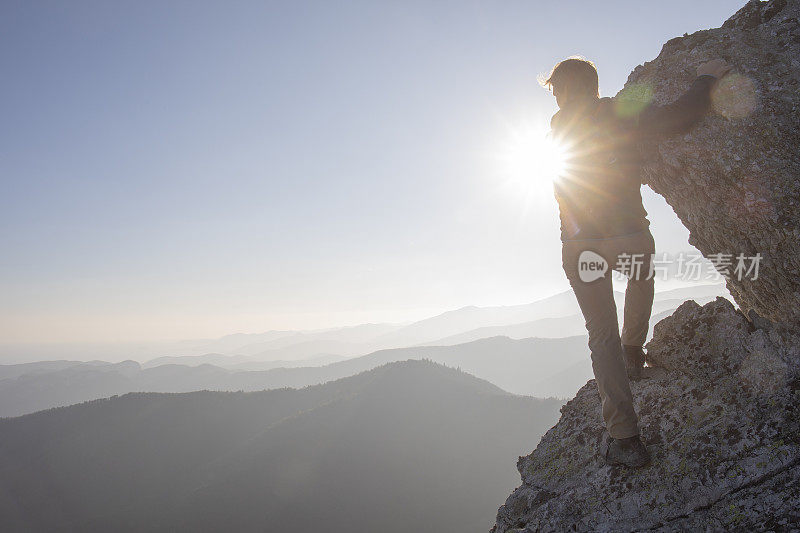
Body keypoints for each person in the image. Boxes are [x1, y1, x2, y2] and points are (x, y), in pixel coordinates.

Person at [544, 57, 730, 468]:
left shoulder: (559, 127)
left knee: (600, 334)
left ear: (571, 89)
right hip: (627, 234)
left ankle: (624, 436)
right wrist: (707, 75)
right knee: (640, 277)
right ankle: (633, 349)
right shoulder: (614, 113)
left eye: (557, 90)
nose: (554, 98)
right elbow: (681, 117)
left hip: (583, 247)